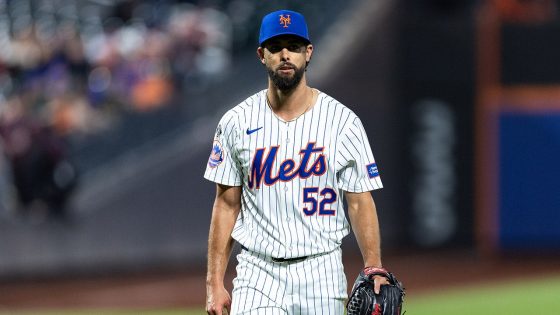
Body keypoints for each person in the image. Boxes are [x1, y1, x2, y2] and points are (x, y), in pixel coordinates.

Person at [204, 9, 389, 314]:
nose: (286, 54)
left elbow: (359, 199)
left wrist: (373, 266)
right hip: (257, 271)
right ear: (262, 55)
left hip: (322, 270)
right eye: (276, 48)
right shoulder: (235, 122)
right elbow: (226, 205)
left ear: (309, 53)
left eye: (294, 46)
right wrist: (214, 284)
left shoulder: (343, 122)